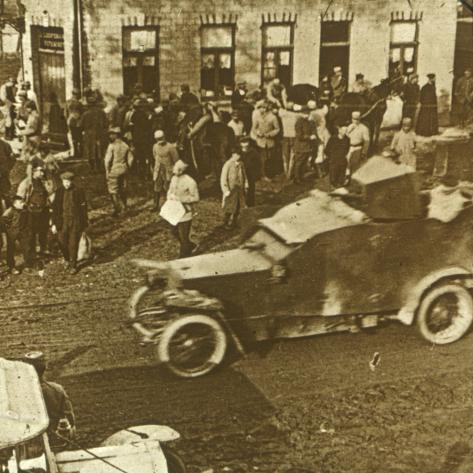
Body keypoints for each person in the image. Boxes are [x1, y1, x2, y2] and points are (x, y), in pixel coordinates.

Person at [23, 351, 75, 439]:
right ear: (45, 368)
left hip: (30, 444)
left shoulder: (19, 393)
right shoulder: (57, 389)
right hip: (56, 442)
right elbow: (71, 421)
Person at [51, 171, 88, 274]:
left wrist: (84, 223)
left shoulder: (79, 191)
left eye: (68, 181)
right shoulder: (59, 192)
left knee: (73, 243)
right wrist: (54, 223)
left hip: (75, 221)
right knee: (62, 241)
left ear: (72, 181)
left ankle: (73, 265)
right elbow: (55, 208)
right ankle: (67, 259)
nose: (66, 184)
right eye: (64, 181)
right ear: (62, 181)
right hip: (62, 221)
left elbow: (83, 208)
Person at [166, 160, 199, 258]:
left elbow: (196, 197)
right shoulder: (174, 178)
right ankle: (190, 245)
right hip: (174, 210)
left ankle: (183, 257)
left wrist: (182, 199)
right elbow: (170, 190)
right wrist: (169, 196)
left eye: (176, 168)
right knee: (173, 231)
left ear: (181, 170)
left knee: (183, 236)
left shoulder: (190, 181)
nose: (173, 169)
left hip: (185, 212)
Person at [17, 164, 49, 263]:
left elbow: (47, 195)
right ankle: (30, 257)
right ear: (33, 171)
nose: (42, 173)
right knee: (30, 235)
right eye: (40, 171)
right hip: (30, 214)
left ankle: (43, 251)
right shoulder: (26, 183)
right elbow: (19, 199)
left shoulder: (43, 182)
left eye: (43, 171)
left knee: (43, 232)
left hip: (43, 212)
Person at [104, 127, 134, 216]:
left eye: (111, 134)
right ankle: (125, 207)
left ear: (115, 135)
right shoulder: (125, 145)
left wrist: (107, 171)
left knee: (113, 190)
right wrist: (127, 167)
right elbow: (131, 159)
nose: (110, 136)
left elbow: (107, 160)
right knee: (122, 189)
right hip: (124, 169)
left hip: (114, 170)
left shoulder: (111, 146)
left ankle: (117, 210)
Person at [0, 196, 31, 274]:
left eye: (23, 202)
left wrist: (26, 229)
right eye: (20, 202)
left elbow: (28, 221)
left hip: (23, 232)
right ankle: (11, 267)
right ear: (15, 204)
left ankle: (26, 265)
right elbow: (3, 220)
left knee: (26, 248)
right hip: (12, 233)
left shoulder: (25, 210)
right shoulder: (10, 211)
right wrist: (9, 228)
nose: (23, 204)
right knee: (11, 250)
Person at [251, 101, 280, 181]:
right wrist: (258, 133)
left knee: (270, 158)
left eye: (264, 108)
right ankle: (263, 174)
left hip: (270, 141)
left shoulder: (273, 117)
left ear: (267, 109)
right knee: (262, 159)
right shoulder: (258, 117)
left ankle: (269, 173)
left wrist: (270, 134)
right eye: (261, 108)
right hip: (260, 141)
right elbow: (254, 128)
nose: (262, 110)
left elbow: (277, 129)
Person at [220, 147, 248, 229]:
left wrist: (246, 183)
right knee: (229, 207)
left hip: (239, 189)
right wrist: (225, 190)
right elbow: (223, 178)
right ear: (233, 155)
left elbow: (244, 174)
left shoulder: (241, 164)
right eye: (236, 155)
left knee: (238, 206)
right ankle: (225, 222)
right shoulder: (228, 164)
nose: (238, 157)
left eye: (239, 155)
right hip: (231, 190)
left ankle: (234, 222)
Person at [79, 95, 108, 171]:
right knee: (99, 151)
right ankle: (99, 168)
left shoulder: (86, 114)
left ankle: (92, 169)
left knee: (90, 151)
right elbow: (106, 123)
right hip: (99, 133)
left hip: (89, 134)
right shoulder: (102, 112)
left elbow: (80, 125)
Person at [152, 129, 179, 210]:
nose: (159, 141)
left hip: (168, 169)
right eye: (158, 139)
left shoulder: (170, 147)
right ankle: (155, 205)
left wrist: (174, 169)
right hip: (158, 169)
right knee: (157, 187)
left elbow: (176, 159)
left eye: (161, 138)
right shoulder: (155, 146)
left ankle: (170, 205)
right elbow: (155, 156)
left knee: (168, 187)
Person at [129, 98, 153, 177]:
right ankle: (146, 172)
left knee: (140, 155)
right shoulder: (148, 114)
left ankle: (141, 172)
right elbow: (149, 126)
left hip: (137, 138)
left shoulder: (135, 114)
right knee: (146, 155)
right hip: (146, 138)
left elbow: (131, 125)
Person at [293, 106, 317, 184]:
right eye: (305, 113)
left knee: (304, 162)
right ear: (301, 114)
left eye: (308, 113)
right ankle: (297, 178)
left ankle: (301, 177)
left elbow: (313, 130)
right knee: (299, 163)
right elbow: (299, 136)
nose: (306, 115)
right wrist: (310, 137)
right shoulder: (299, 122)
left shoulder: (309, 122)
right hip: (301, 146)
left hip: (307, 146)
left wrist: (313, 134)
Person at [325, 124, 350, 189]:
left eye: (346, 130)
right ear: (339, 130)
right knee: (333, 172)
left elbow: (347, 149)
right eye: (344, 130)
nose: (345, 132)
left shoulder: (347, 139)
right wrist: (331, 157)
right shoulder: (333, 138)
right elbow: (327, 150)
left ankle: (340, 184)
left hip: (342, 159)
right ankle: (333, 185)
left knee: (341, 173)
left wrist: (343, 155)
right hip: (334, 159)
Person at [279, 102, 298, 179]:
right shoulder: (296, 115)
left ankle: (286, 172)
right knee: (292, 155)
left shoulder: (283, 114)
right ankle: (290, 172)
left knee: (285, 155)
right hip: (293, 136)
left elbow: (280, 108)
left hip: (285, 136)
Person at [239, 136, 259, 207]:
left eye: (246, 142)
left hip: (251, 173)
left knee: (251, 188)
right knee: (241, 188)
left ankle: (251, 203)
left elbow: (258, 163)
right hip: (240, 173)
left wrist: (256, 174)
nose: (245, 144)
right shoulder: (238, 152)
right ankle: (242, 203)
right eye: (243, 142)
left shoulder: (253, 152)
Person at [0, 135, 15, 206]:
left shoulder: (5, 145)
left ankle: (9, 212)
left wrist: (5, 170)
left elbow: (12, 160)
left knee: (6, 195)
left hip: (3, 174)